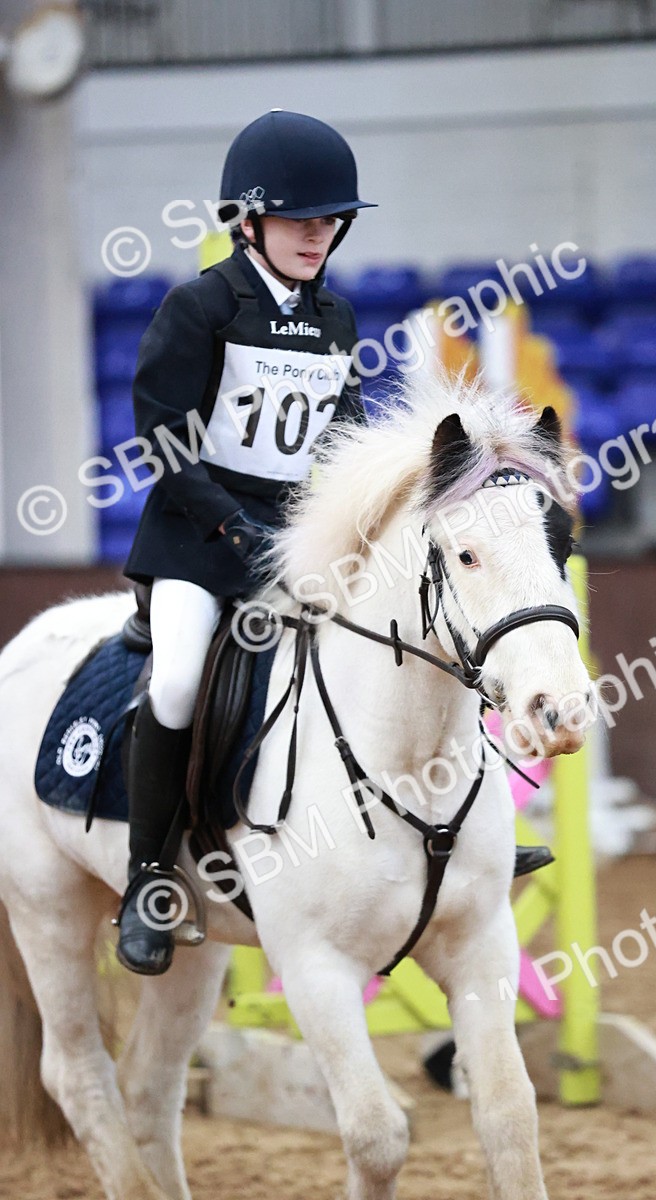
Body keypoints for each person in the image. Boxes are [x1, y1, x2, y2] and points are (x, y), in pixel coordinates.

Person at [116, 109, 376, 975]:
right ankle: (148, 875)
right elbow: (162, 441)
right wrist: (236, 526)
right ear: (249, 221)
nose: (319, 233)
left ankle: (416, 841)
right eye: (301, 218)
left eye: (329, 219)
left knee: (391, 646)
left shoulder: (337, 318)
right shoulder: (199, 306)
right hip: (198, 539)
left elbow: (345, 440)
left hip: (294, 542)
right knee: (183, 676)